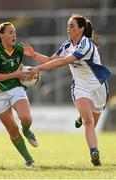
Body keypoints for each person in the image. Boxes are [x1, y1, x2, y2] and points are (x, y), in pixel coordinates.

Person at [23, 14, 111, 166]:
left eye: (72, 26)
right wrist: (34, 55)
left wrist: (37, 69)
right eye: (68, 25)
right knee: (88, 121)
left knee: (91, 122)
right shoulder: (67, 45)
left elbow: (63, 62)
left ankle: (80, 115)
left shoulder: (86, 45)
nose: (68, 28)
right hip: (80, 87)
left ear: (81, 29)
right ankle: (94, 152)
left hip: (98, 87)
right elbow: (52, 60)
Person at [0, 22, 39, 167]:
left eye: (14, 32)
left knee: (26, 118)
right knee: (13, 129)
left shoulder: (18, 49)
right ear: (1, 35)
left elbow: (21, 67)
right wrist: (17, 73)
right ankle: (29, 160)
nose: (14, 35)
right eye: (10, 32)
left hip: (15, 88)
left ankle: (27, 132)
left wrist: (32, 76)